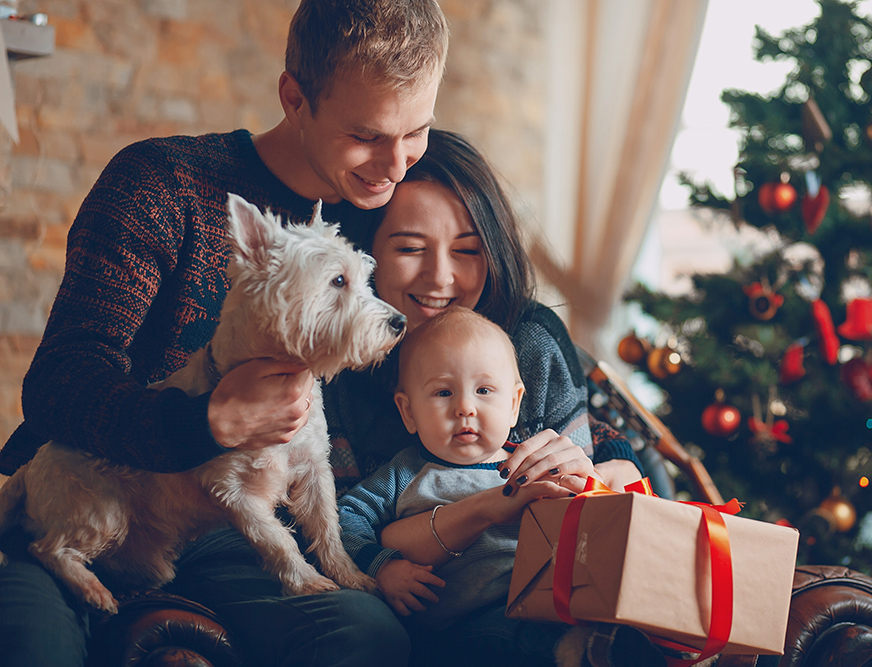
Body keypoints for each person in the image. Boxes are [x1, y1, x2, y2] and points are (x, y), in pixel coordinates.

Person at [0, 1, 448, 666]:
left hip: (221, 530)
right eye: (367, 135)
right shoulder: (160, 185)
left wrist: (598, 445)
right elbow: (59, 387)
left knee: (368, 636)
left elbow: (476, 318)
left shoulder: (376, 221)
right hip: (90, 483)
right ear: (295, 98)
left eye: (418, 131)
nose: (396, 164)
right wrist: (207, 420)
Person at [323, 129, 648, 665]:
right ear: (365, 254)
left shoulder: (529, 339)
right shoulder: (333, 365)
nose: (441, 276)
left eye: (468, 250)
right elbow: (341, 524)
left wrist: (595, 469)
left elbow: (601, 467)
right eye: (409, 248)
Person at [338, 306, 582, 666]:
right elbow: (343, 518)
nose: (465, 407)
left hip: (547, 601)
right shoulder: (404, 473)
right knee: (507, 643)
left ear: (514, 404)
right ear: (408, 412)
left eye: (484, 390)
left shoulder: (531, 464)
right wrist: (382, 567)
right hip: (458, 629)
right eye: (442, 393)